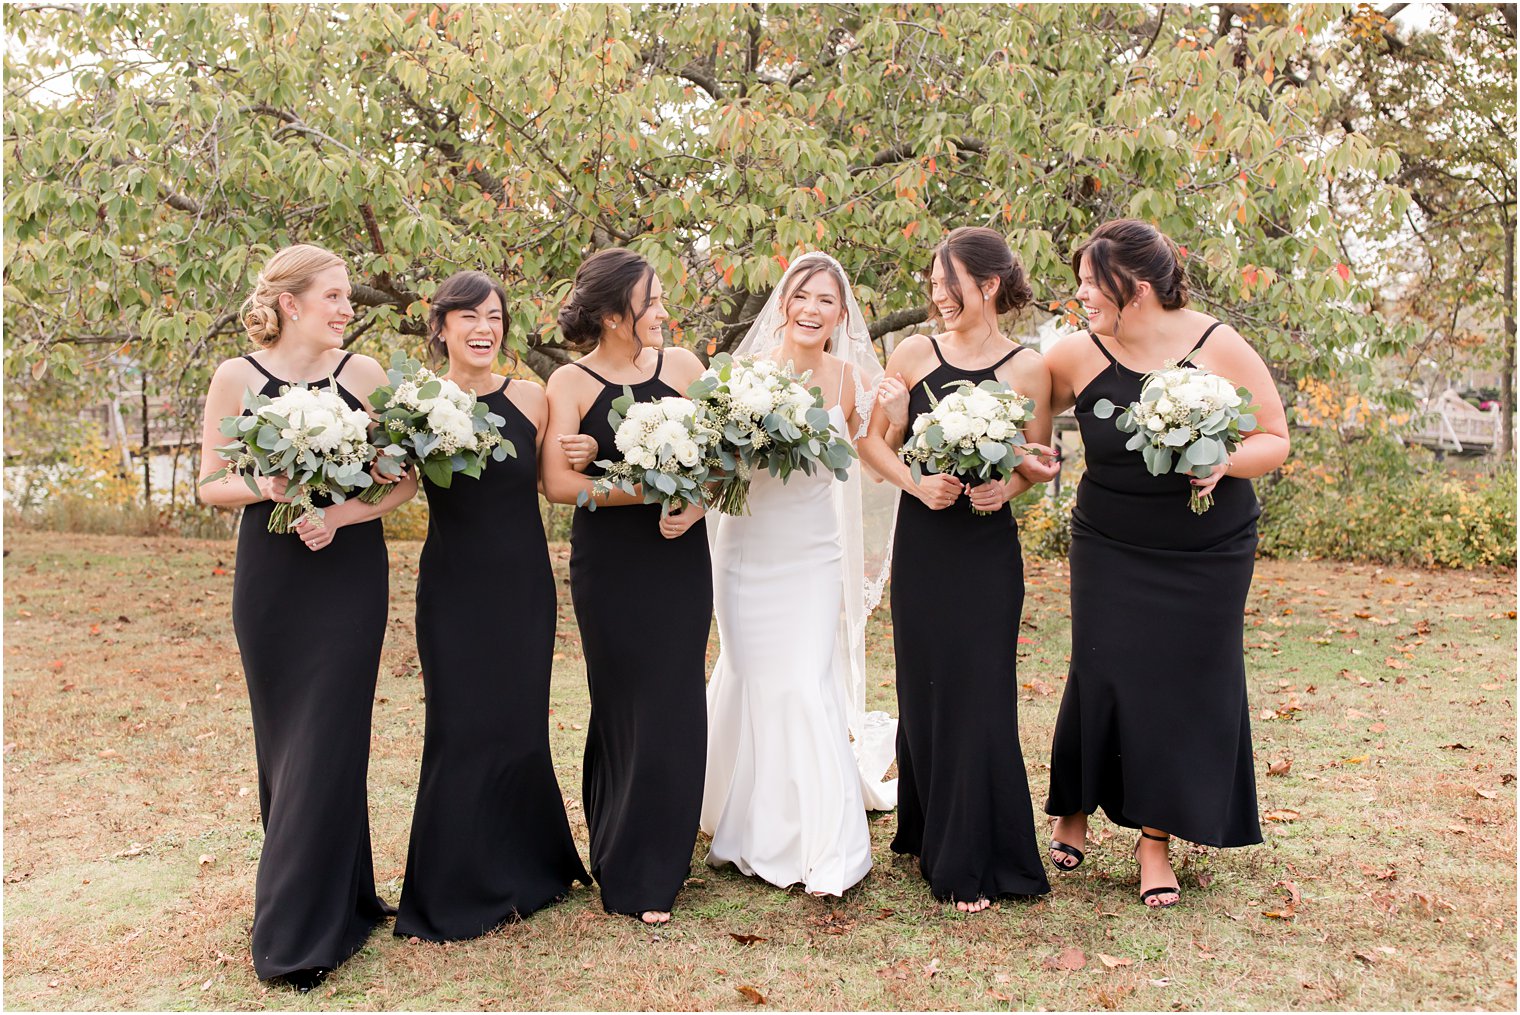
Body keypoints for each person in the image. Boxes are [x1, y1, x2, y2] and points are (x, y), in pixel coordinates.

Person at [1040, 218, 1289, 907]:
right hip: (1110, 541)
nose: (1081, 293)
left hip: (1208, 547)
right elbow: (1027, 415)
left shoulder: (1218, 345)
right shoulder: (1072, 354)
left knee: (1181, 683)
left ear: (1137, 288)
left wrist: (1222, 462)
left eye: (1092, 282)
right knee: (1103, 666)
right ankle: (1074, 804)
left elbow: (1275, 438)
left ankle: (1156, 841)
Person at [197, 244, 417, 989]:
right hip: (273, 576)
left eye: (347, 296)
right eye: (334, 296)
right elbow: (209, 485)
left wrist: (342, 515)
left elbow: (402, 480)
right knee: (288, 745)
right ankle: (336, 896)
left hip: (348, 570)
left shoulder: (365, 376)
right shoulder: (237, 376)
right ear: (290, 303)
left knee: (332, 737)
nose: (347, 308)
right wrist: (266, 484)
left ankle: (298, 932)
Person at [859, 227, 1055, 912]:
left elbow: (1040, 459)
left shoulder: (1031, 368)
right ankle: (926, 829)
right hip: (924, 541)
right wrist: (916, 484)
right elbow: (872, 446)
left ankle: (976, 850)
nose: (938, 296)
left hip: (987, 547)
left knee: (979, 691)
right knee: (926, 686)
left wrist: (1014, 486)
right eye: (934, 285)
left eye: (950, 284)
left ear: (989, 285)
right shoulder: (913, 352)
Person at [394, 270, 590, 941]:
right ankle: (454, 887)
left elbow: (555, 482)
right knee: (459, 727)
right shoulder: (415, 401)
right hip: (452, 586)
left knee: (519, 724)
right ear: (441, 325)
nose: (485, 329)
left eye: (495, 317)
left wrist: (589, 452)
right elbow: (393, 485)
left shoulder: (532, 398)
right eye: (469, 317)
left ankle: (531, 871)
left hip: (523, 585)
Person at [700, 252, 899, 897]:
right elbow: (716, 467)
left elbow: (871, 463)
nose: (812, 311)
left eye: (827, 302)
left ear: (843, 315)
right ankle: (740, 817)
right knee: (751, 676)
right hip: (747, 547)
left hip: (814, 552)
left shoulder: (848, 381)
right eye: (802, 298)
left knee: (805, 683)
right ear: (783, 304)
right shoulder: (742, 375)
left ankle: (822, 842)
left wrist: (889, 414)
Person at [540, 248, 710, 925]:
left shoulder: (688, 369)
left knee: (675, 699)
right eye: (652, 302)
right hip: (610, 564)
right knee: (621, 700)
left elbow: (722, 455)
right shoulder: (571, 385)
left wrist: (697, 500)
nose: (664, 312)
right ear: (614, 316)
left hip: (679, 554)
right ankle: (617, 850)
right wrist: (642, 487)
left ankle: (661, 862)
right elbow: (557, 484)